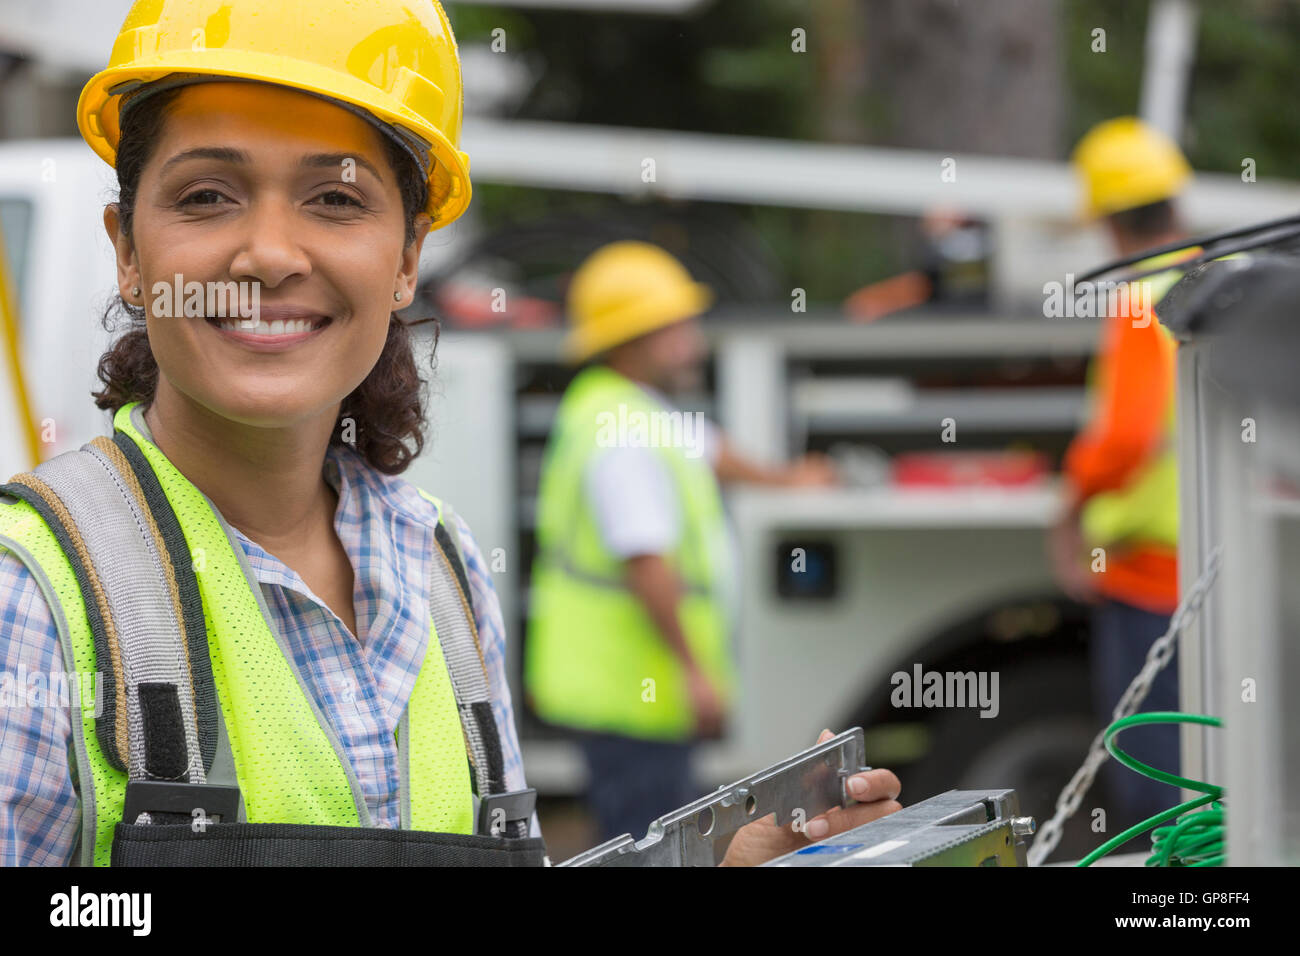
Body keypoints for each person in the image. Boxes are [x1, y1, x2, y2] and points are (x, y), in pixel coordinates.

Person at [0, 0, 901, 867]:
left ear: (405, 260)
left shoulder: (439, 569)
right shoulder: (34, 596)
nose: (269, 254)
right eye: (206, 195)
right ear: (128, 250)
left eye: (335, 200)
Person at [525, 240, 842, 845]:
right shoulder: (623, 434)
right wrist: (696, 674)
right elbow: (646, 561)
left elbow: (708, 447)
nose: (694, 341)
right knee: (652, 848)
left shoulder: (626, 409)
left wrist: (788, 479)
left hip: (626, 690)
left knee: (654, 840)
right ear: (632, 337)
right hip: (632, 693)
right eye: (677, 328)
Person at [1050, 116, 1195, 832]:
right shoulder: (1210, 280)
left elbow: (1126, 436)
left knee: (1153, 786)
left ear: (1108, 222)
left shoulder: (1142, 301)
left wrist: (1068, 510)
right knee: (1206, 777)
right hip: (1202, 563)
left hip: (1146, 577)